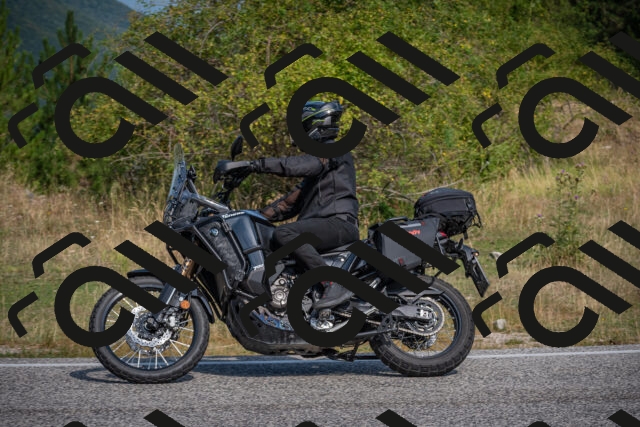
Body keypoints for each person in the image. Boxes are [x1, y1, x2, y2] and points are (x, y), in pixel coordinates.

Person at [249, 100, 360, 318]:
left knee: (284, 233)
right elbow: (287, 204)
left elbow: (299, 165)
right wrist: (251, 215)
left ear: (315, 125)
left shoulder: (332, 150)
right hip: (327, 225)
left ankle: (332, 283)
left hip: (338, 224)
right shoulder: (320, 167)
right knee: (273, 241)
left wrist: (254, 165)